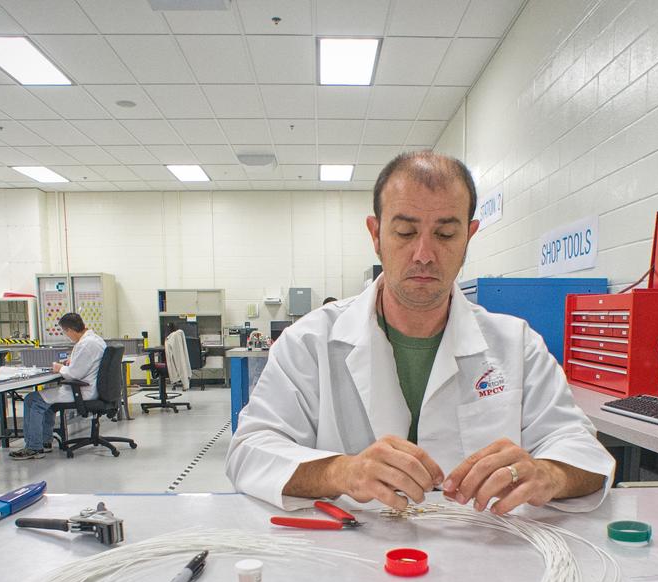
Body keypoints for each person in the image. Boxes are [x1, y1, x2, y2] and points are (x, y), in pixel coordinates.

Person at [226, 150, 614, 516]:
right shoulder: (310, 342)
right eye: (406, 232)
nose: (425, 254)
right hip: (350, 561)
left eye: (445, 234)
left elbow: (582, 451)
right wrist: (340, 472)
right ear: (375, 235)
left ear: (469, 237)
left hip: (481, 559)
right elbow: (249, 450)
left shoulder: (517, 346)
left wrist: (550, 474)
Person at [10, 312, 105, 460]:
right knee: (47, 402)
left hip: (81, 390)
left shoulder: (86, 344)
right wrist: (72, 360)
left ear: (69, 330)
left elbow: (74, 374)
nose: (68, 336)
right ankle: (45, 442)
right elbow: (85, 364)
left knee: (32, 399)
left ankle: (34, 448)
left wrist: (59, 367)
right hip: (89, 388)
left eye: (66, 333)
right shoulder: (95, 340)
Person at [163, 321, 191, 391]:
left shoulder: (171, 338)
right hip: (182, 364)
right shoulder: (178, 335)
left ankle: (178, 380)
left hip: (174, 364)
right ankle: (185, 381)